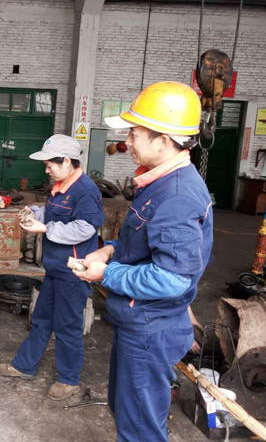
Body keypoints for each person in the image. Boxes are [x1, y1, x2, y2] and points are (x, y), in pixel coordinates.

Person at [73, 81, 213, 442]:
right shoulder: (159, 183)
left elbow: (173, 279)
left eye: (134, 133)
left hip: (151, 328)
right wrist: (110, 250)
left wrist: (107, 273)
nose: (128, 141)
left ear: (163, 140)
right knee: (127, 413)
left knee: (139, 429)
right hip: (140, 321)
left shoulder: (177, 196)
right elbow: (145, 243)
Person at [0, 134, 104, 401]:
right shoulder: (61, 185)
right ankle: (25, 365)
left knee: (67, 325)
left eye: (49, 164)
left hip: (74, 270)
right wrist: (34, 212)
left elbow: (85, 228)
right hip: (55, 267)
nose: (47, 170)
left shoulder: (85, 190)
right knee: (42, 318)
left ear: (66, 161)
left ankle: (69, 380)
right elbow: (53, 211)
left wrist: (45, 228)